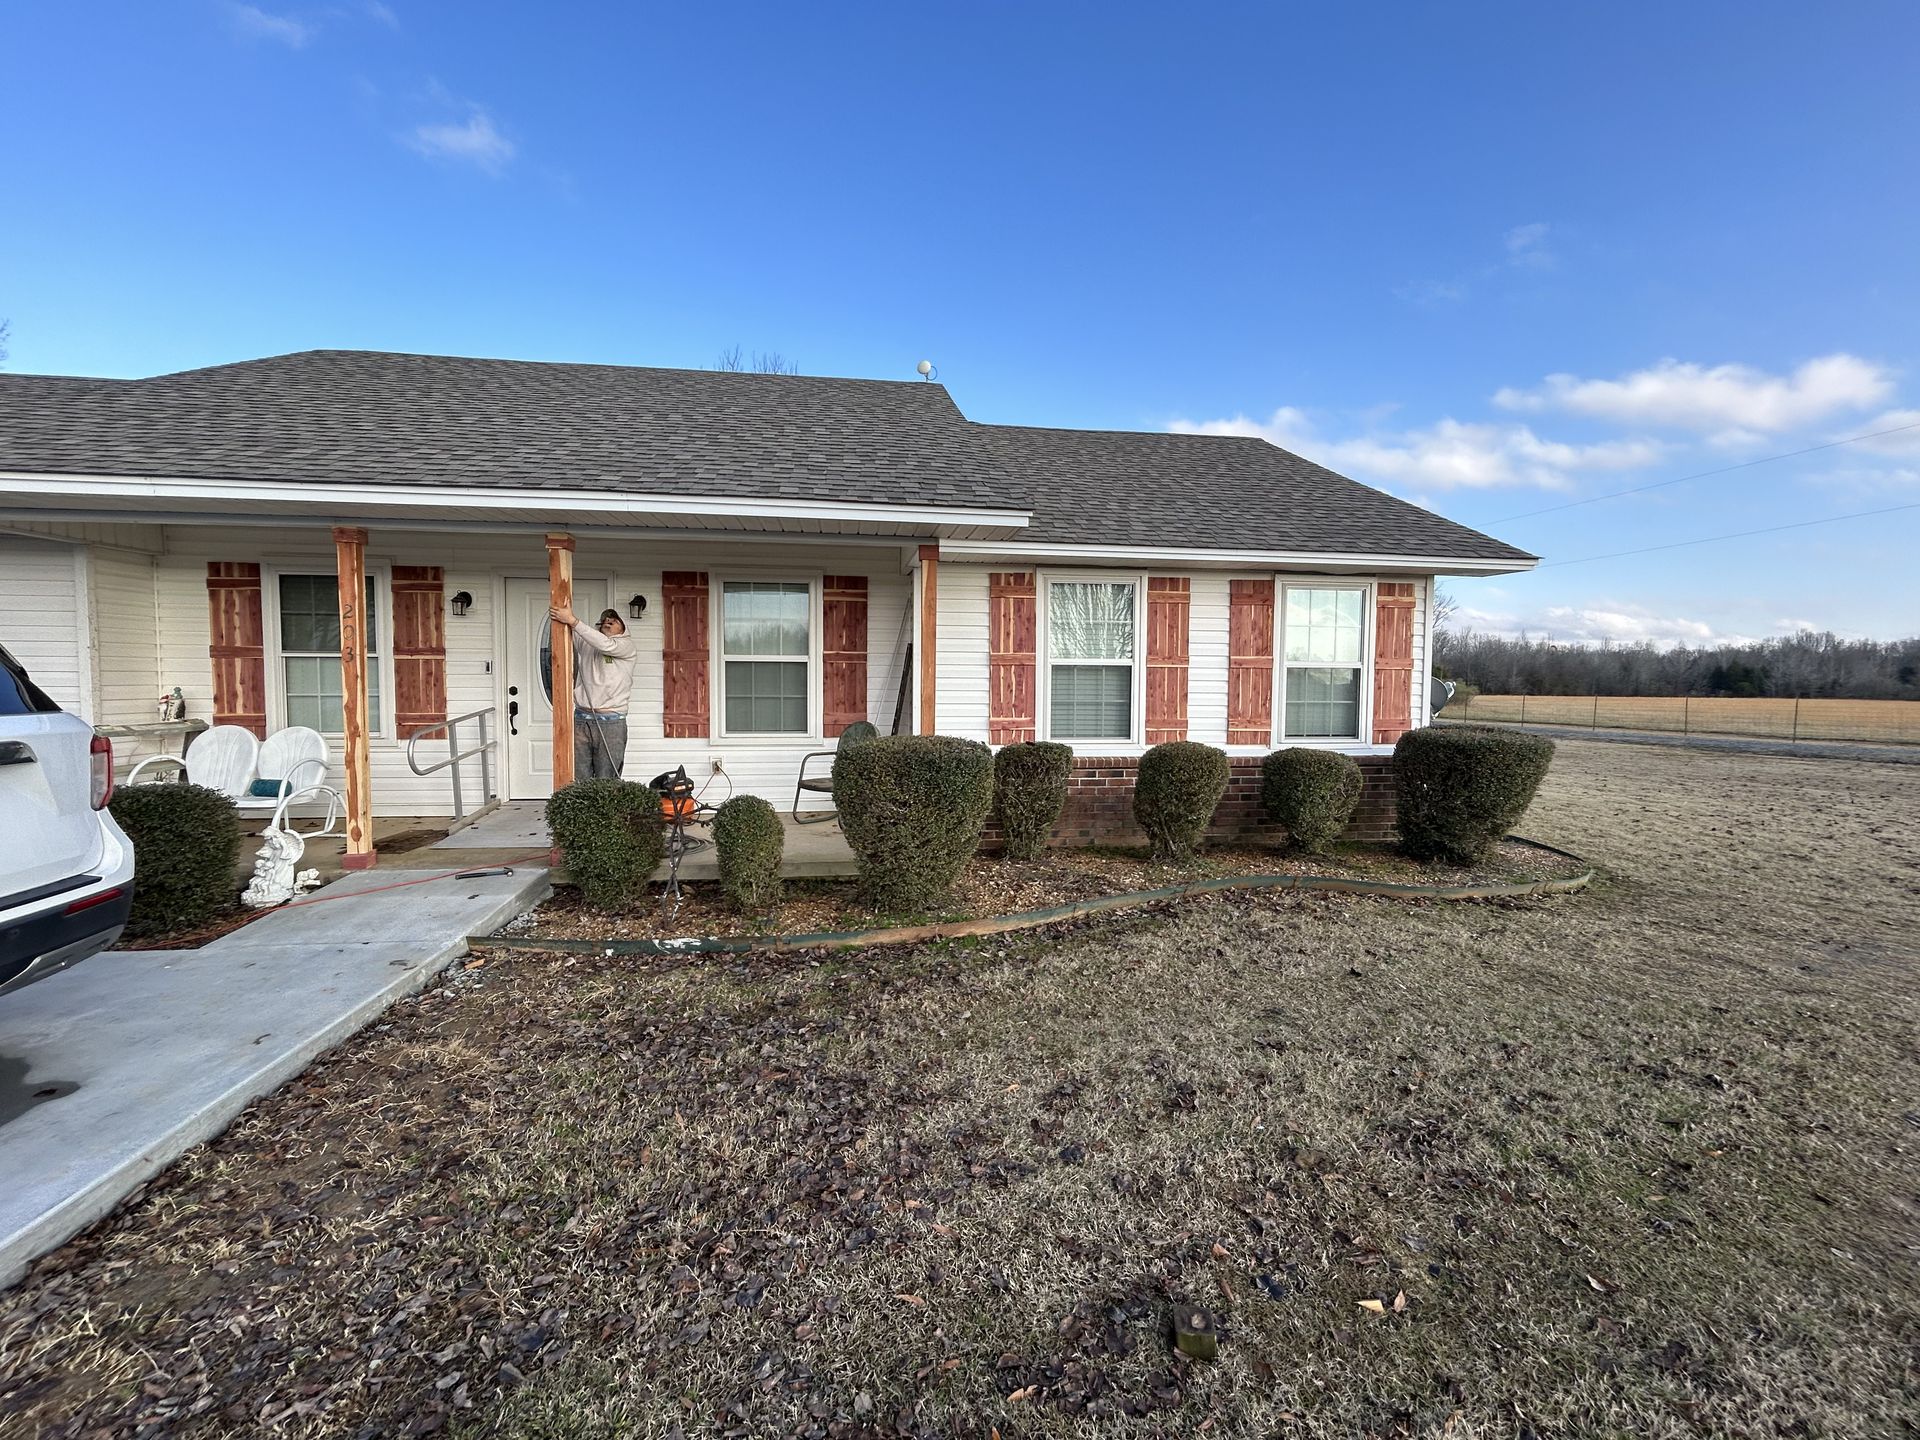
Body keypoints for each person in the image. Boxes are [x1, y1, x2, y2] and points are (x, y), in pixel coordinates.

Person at [549, 604, 638, 780]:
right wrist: (563, 616)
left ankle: (606, 809)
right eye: (605, 620)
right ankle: (582, 808)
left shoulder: (626, 646)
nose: (608, 622)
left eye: (613, 620)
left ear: (623, 628)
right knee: (580, 774)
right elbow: (572, 630)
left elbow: (605, 645)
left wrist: (573, 620)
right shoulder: (589, 643)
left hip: (612, 721)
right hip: (582, 718)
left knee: (607, 776)